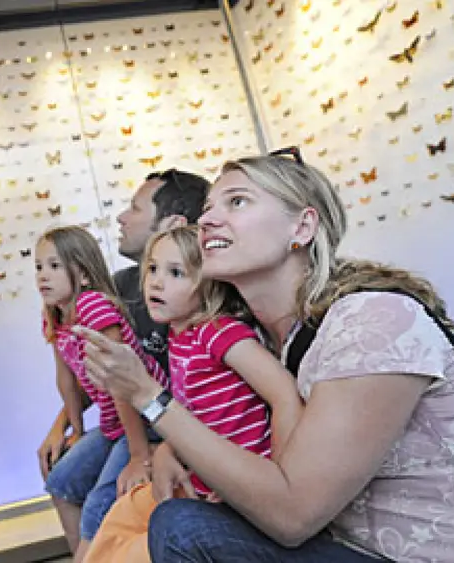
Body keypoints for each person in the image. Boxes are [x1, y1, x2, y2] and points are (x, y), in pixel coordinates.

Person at [75, 147, 454, 561]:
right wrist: (175, 444)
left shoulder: (371, 321)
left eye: (236, 202)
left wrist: (149, 398)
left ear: (303, 227)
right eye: (209, 206)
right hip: (343, 543)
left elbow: (293, 514)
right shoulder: (273, 338)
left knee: (181, 528)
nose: (209, 218)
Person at [83, 225, 303, 563]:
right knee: (117, 517)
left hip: (236, 488)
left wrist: (277, 475)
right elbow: (192, 410)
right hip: (202, 477)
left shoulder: (217, 331)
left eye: (175, 273)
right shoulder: (179, 336)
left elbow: (284, 393)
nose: (155, 282)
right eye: (152, 268)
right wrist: (166, 452)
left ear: (207, 285)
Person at [37, 169, 211, 475]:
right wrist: (62, 426)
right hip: (128, 418)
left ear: (173, 225)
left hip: (165, 419)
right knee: (63, 473)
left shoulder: (205, 298)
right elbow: (94, 373)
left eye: (135, 208)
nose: (121, 217)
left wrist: (147, 452)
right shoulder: (119, 286)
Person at [35, 225, 168, 562]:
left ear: (80, 271)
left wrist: (139, 454)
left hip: (142, 416)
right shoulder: (55, 314)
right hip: (115, 425)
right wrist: (75, 430)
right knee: (61, 481)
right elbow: (66, 379)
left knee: (98, 503)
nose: (43, 276)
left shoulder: (93, 307)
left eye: (54, 266)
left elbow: (121, 382)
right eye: (38, 267)